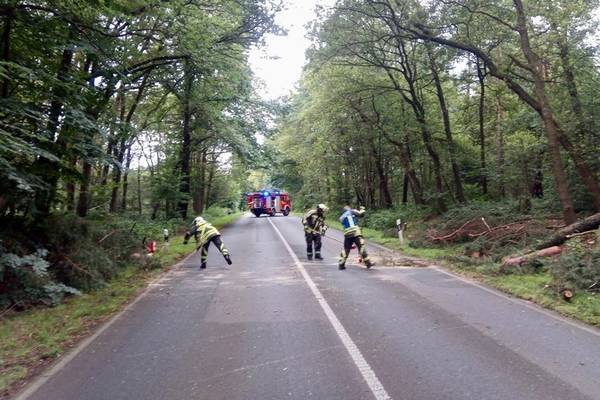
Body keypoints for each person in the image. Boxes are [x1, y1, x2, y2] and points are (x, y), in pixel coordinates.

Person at [338, 204, 375, 270]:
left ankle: (341, 265)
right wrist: (362, 209)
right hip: (356, 233)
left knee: (346, 250)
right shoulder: (352, 211)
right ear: (349, 209)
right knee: (361, 247)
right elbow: (361, 214)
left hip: (347, 234)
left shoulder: (341, 218)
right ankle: (368, 263)